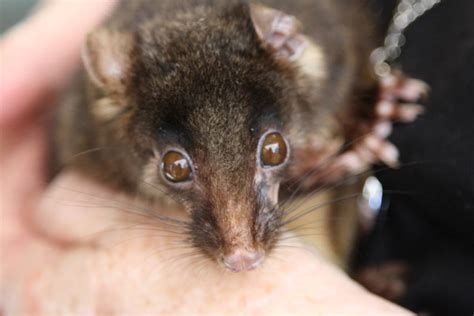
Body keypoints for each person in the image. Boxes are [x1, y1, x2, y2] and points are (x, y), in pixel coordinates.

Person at [0, 1, 411, 314]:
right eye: (178, 168)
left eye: (271, 151)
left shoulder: (308, 51)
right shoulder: (108, 111)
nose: (240, 251)